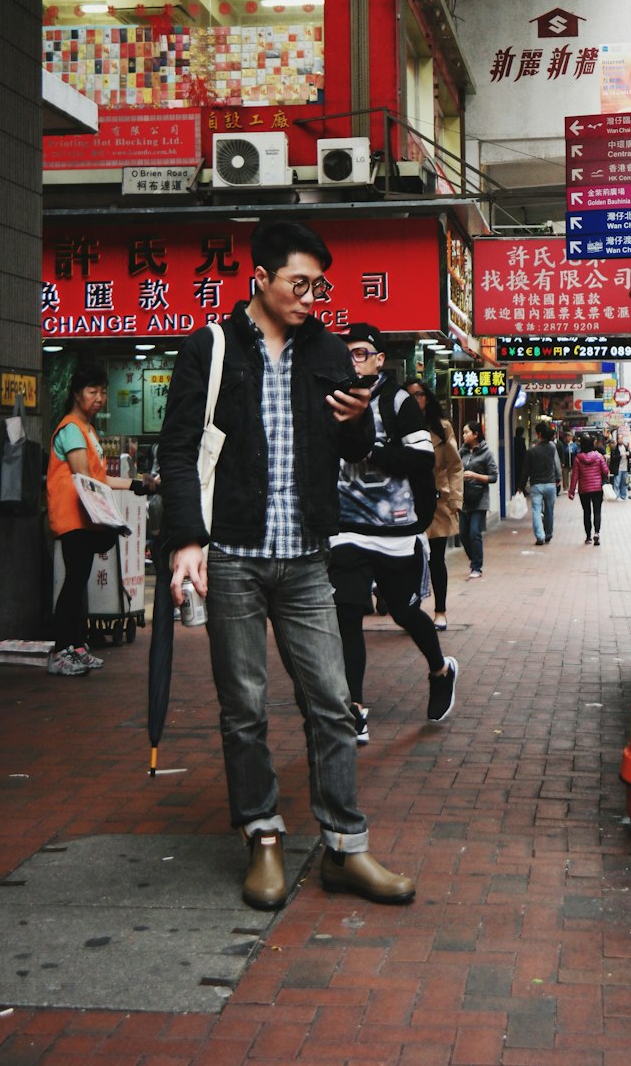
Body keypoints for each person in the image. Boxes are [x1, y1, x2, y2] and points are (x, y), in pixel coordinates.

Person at [159, 220, 415, 913]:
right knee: (243, 707)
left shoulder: (328, 349)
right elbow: (178, 450)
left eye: (319, 285)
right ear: (260, 281)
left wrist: (360, 413)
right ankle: (263, 837)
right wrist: (187, 537)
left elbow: (354, 445)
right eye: (299, 284)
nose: (311, 296)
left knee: (332, 702)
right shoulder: (210, 349)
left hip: (305, 558)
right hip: (234, 558)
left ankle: (345, 847)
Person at [328, 327, 458, 744]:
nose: (354, 360)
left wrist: (370, 450)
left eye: (362, 353)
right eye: (346, 354)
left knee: (403, 612)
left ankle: (440, 670)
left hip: (396, 528)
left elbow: (421, 455)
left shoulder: (396, 401)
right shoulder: (332, 398)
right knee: (347, 613)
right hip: (346, 528)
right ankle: (354, 709)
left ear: (379, 360)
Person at [46, 356, 158, 676]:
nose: (99, 398)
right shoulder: (70, 429)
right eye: (93, 391)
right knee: (73, 584)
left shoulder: (87, 430)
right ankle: (60, 651)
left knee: (78, 583)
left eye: (103, 392)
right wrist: (112, 518)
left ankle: (76, 646)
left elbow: (100, 479)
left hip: (86, 521)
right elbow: (86, 480)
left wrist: (138, 484)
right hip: (74, 521)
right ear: (77, 393)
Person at [405, 378, 463, 630]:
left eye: (418, 394)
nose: (414, 400)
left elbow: (455, 465)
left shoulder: (442, 427)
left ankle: (440, 611)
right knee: (410, 560)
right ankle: (414, 614)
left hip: (438, 502)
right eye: (409, 396)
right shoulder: (396, 427)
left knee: (436, 560)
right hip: (407, 503)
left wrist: (455, 499)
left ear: (427, 397)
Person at [458, 420, 498, 579]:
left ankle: (477, 567)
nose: (464, 435)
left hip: (480, 498)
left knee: (474, 532)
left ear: (475, 434)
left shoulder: (487, 453)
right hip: (463, 498)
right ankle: (474, 558)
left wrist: (474, 475)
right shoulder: (462, 452)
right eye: (463, 432)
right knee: (463, 534)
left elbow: (494, 477)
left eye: (466, 432)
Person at [519, 419, 561, 546]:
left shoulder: (531, 451)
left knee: (536, 511)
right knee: (549, 510)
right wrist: (558, 478)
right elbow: (556, 464)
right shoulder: (552, 448)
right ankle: (548, 533)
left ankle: (540, 536)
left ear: (539, 435)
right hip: (550, 484)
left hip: (536, 485)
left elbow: (525, 470)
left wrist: (521, 486)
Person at [569, 432, 610, 545]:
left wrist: (571, 491)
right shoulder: (598, 456)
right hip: (597, 489)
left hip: (584, 490)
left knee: (587, 512)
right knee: (597, 511)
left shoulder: (578, 458)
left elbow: (575, 476)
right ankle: (596, 533)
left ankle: (588, 537)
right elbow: (606, 471)